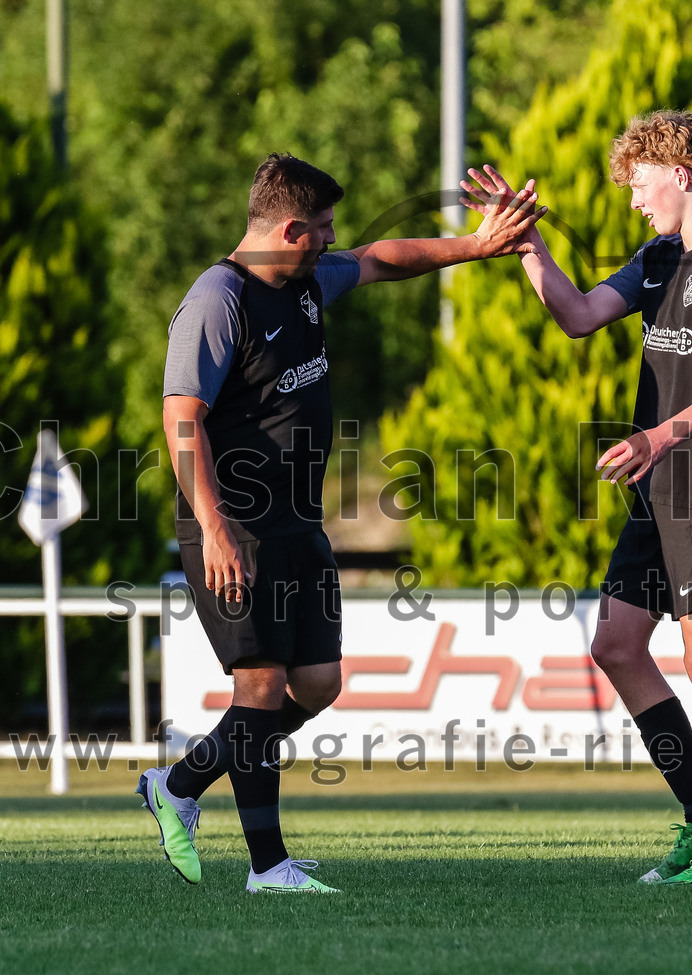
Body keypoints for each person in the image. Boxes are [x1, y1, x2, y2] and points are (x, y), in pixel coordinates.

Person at [138, 152, 542, 894]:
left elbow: (382, 260)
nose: (333, 241)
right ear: (289, 228)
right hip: (235, 528)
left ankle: (178, 784)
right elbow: (182, 421)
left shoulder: (303, 280)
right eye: (321, 230)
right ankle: (269, 867)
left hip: (298, 523)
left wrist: (478, 246)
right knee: (259, 688)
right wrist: (217, 529)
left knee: (317, 682)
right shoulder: (217, 298)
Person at [462, 111, 692, 885]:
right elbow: (577, 316)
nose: (634, 199)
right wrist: (525, 243)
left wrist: (663, 434)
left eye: (638, 183)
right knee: (618, 645)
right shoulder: (658, 257)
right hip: (656, 485)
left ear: (681, 172)